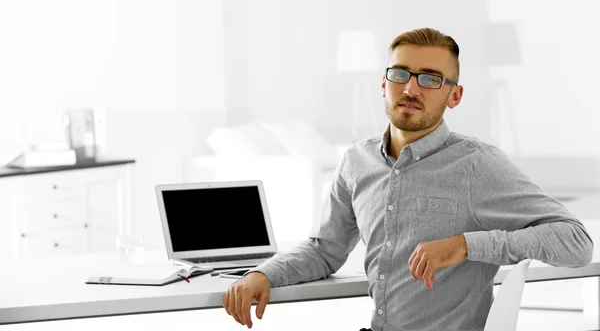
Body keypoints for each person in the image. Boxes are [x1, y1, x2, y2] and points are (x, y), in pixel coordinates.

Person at [222, 28, 594, 331]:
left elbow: (576, 242)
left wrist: (464, 245)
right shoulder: (356, 162)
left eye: (430, 79)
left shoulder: (478, 166)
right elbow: (324, 250)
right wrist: (262, 274)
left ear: (455, 95)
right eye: (400, 74)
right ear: (383, 83)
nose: (411, 89)